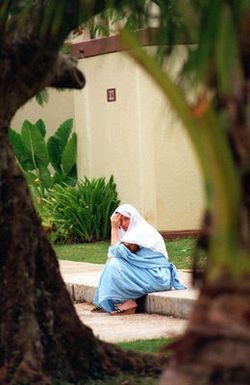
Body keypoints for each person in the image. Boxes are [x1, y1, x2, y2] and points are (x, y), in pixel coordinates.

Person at [91, 203, 186, 315]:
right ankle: (117, 301)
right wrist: (116, 229)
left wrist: (114, 228)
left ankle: (128, 302)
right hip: (149, 273)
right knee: (112, 263)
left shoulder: (140, 230)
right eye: (120, 221)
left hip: (158, 276)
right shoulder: (131, 233)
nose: (124, 224)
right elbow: (112, 255)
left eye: (126, 219)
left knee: (115, 265)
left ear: (134, 217)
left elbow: (116, 253)